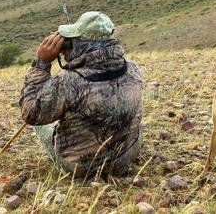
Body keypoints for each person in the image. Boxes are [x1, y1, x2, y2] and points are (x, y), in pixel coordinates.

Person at [19, 11, 143, 178]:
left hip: (83, 168)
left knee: (41, 119)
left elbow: (30, 113)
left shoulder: (68, 82)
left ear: (81, 44)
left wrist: (42, 63)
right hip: (125, 158)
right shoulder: (132, 69)